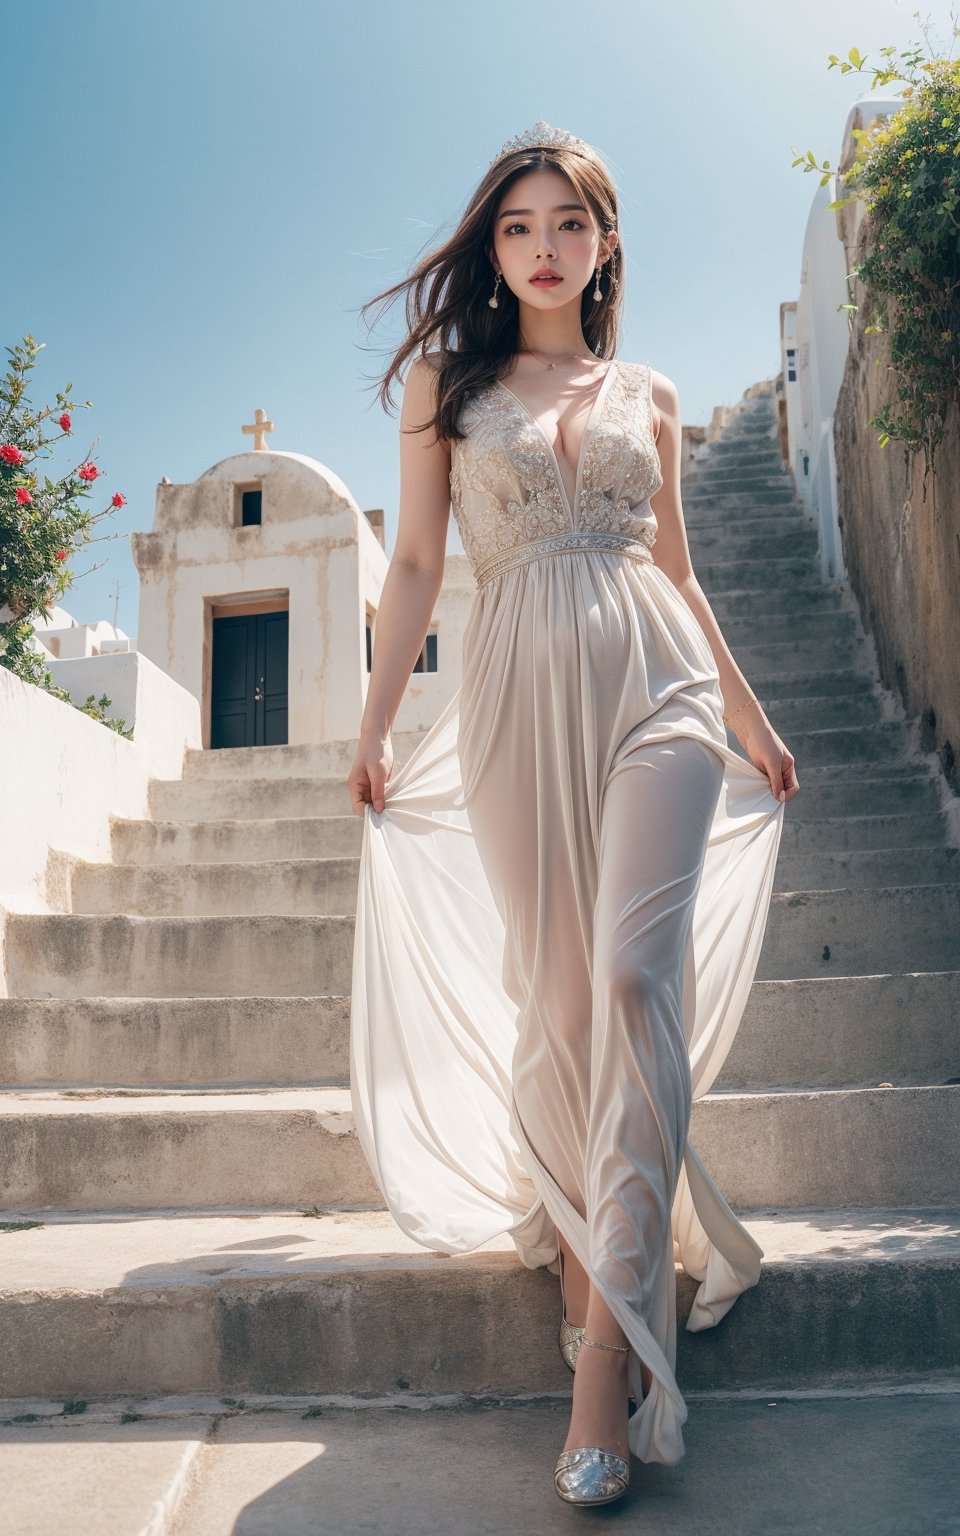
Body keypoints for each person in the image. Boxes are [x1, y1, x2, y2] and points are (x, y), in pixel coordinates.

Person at [347, 120, 799, 1509]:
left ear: (606, 243)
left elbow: (684, 572)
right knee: (557, 1000)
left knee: (628, 975)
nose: (544, 247)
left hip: (655, 684)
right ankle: (594, 1228)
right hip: (512, 700)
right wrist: (373, 726)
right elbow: (419, 562)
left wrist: (751, 718)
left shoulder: (648, 394)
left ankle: (610, 1354)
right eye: (517, 226)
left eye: (568, 224)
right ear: (495, 249)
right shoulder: (446, 385)